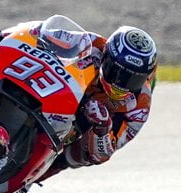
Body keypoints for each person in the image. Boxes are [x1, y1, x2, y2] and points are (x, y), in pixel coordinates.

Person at [35, 23, 157, 182]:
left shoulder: (140, 107)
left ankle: (32, 178)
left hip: (86, 121)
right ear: (106, 56)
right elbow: (38, 33)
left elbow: (103, 154)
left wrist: (102, 127)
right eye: (117, 72)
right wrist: (1, 36)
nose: (120, 83)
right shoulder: (90, 44)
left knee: (79, 156)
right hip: (56, 91)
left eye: (133, 80)